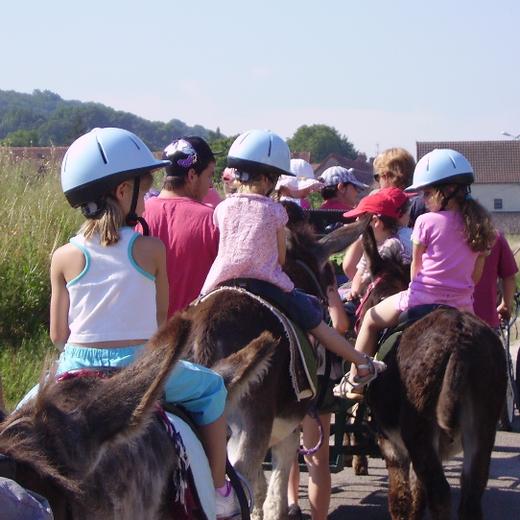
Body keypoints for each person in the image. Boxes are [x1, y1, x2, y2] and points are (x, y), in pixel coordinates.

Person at [44, 128, 238, 518]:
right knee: (213, 389)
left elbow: (57, 334)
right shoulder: (150, 250)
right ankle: (218, 489)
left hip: (74, 369)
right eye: (145, 187)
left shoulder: (63, 256)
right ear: (121, 192)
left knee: (20, 424)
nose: (149, 197)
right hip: (137, 367)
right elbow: (159, 322)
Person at [202, 129, 386, 404]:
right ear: (268, 178)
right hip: (265, 283)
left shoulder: (222, 208)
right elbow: (280, 258)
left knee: (193, 314)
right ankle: (360, 362)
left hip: (221, 281)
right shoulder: (276, 210)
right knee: (314, 318)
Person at [334, 148, 496, 400]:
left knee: (370, 320)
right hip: (463, 306)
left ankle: (358, 378)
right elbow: (475, 277)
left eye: (428, 193)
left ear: (446, 191)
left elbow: (416, 269)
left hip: (421, 298)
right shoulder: (480, 226)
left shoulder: (425, 222)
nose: (425, 199)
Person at [142, 137, 219, 318]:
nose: (210, 185)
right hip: (191, 336)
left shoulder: (137, 215)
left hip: (144, 337)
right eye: (209, 175)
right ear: (192, 176)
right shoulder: (212, 219)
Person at [343, 148, 415, 280]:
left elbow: (349, 266)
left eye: (377, 177)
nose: (377, 183)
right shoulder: (426, 201)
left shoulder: (374, 202)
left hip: (379, 286)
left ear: (386, 175)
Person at [342, 188, 412, 302]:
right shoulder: (373, 243)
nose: (356, 220)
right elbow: (360, 272)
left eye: (361, 217)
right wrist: (354, 293)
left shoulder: (398, 243)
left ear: (375, 222)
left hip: (396, 299)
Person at [474, 231, 518, 329]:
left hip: (447, 317)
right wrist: (506, 306)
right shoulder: (495, 237)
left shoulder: (444, 232)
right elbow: (509, 277)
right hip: (485, 321)